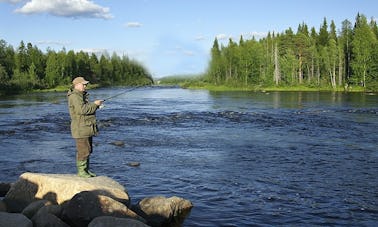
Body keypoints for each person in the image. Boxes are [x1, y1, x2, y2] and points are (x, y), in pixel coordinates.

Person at [67, 76, 103, 178]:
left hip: (85, 127)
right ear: (77, 85)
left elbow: (84, 109)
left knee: (88, 149)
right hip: (80, 128)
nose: (85, 86)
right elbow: (82, 110)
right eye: (84, 84)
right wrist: (95, 104)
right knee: (83, 150)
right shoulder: (75, 96)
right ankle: (82, 172)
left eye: (85, 84)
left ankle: (86, 170)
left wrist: (96, 106)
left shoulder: (80, 95)